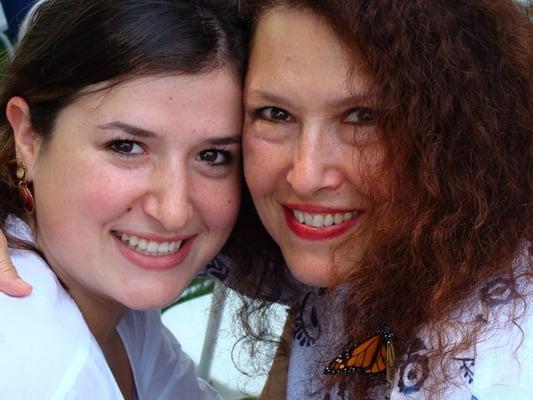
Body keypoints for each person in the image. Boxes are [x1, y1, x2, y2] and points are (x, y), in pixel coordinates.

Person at [1, 0, 532, 399]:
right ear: (26, 135)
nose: (305, 176)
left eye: (363, 117)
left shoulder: (502, 357)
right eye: (275, 115)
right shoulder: (328, 240)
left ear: (457, 129)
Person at [0, 0, 248, 398]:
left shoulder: (117, 311)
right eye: (126, 146)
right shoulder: (41, 367)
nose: (173, 211)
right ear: (27, 136)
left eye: (212, 156)